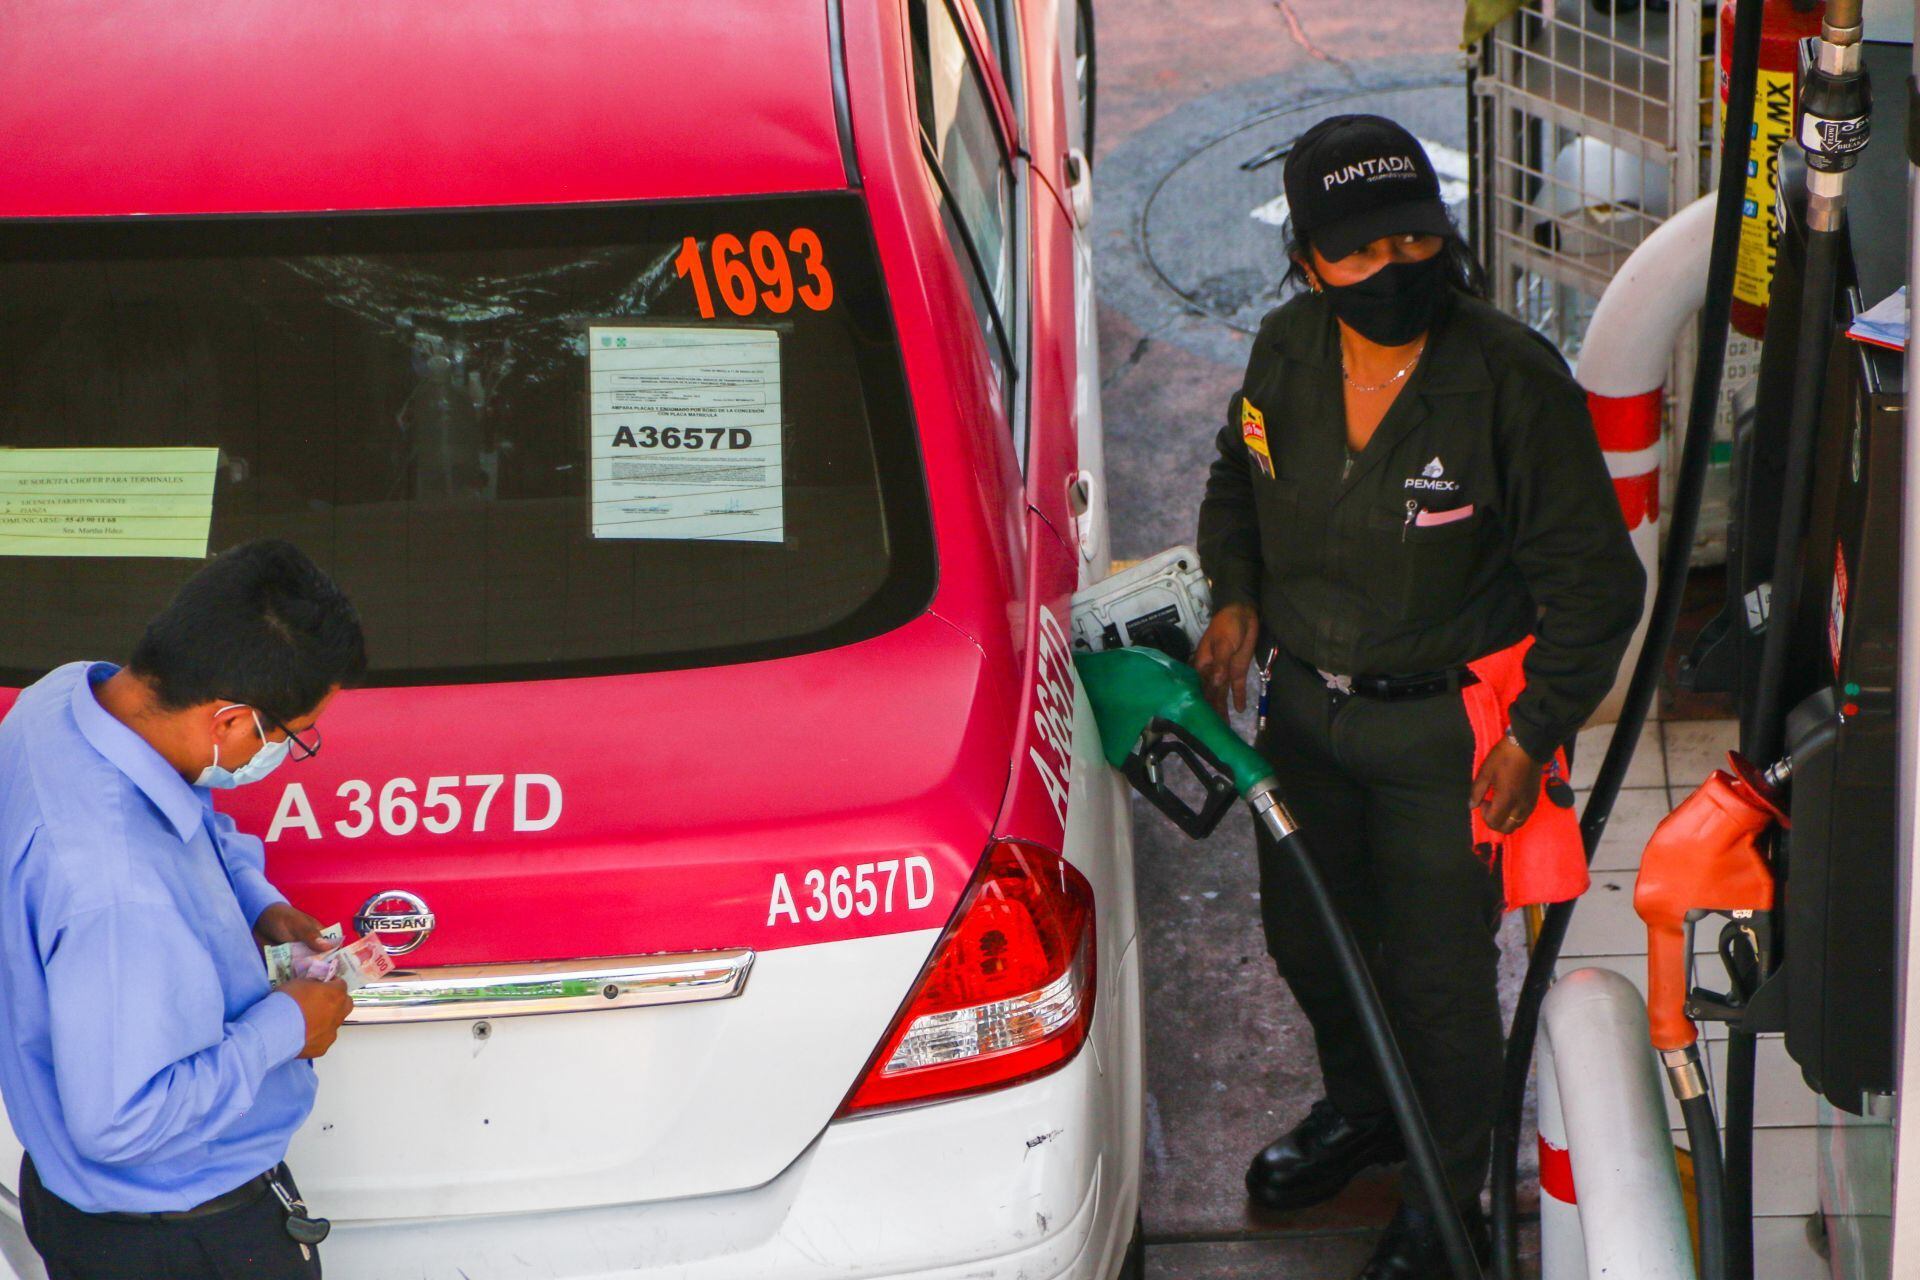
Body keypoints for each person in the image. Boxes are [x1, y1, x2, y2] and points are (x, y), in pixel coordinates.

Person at [1195, 115, 1644, 1279]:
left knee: (1442, 979)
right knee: (1311, 937)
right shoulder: (1287, 352)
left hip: (1449, 732)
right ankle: (1366, 1106)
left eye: (1413, 237)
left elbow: (1598, 586)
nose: (1394, 267)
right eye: (1359, 251)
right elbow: (1233, 482)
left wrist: (1536, 725)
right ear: (1306, 264)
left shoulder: (1507, 383)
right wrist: (1236, 596)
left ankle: (1447, 1191)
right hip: (1303, 714)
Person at [0, 539, 367, 1279]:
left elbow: (187, 808)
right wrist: (287, 1028)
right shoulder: (116, 891)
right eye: (293, 734)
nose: (289, 750)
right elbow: (122, 1122)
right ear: (230, 723)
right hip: (179, 1240)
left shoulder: (67, 700)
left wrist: (255, 900)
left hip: (90, 1203)